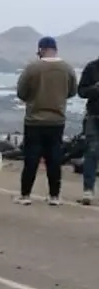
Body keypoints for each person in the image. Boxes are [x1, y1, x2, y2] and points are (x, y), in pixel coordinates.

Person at [14, 37, 78, 206]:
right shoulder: (67, 69)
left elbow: (21, 92)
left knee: (31, 158)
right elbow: (72, 91)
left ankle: (25, 195)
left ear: (41, 50)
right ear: (55, 49)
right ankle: (54, 196)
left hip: (34, 120)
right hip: (57, 120)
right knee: (54, 158)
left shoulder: (32, 68)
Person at [77, 54, 99, 205]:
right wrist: (95, 89)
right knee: (91, 152)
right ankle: (88, 190)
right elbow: (81, 91)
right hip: (94, 116)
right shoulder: (92, 67)